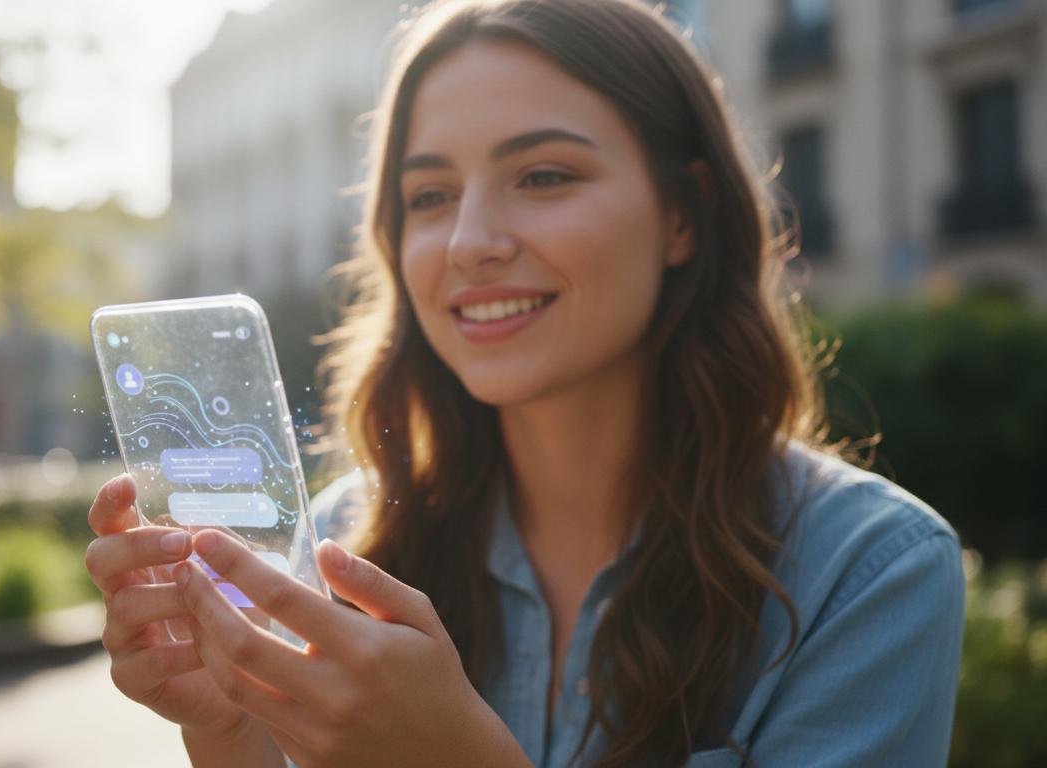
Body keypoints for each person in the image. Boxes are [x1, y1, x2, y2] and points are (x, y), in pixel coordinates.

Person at [82, 0, 965, 765]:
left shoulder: (868, 573)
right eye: (429, 196)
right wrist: (234, 735)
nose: (469, 240)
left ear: (682, 215)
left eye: (544, 176)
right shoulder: (338, 547)